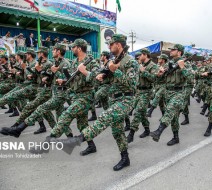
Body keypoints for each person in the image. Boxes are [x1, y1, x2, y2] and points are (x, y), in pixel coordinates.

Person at [32, 34, 139, 171]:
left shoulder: (131, 62)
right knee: (117, 131)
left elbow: (131, 84)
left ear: (118, 44)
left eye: (111, 44)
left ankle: (77, 140)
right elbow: (106, 80)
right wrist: (102, 77)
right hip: (114, 98)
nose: (109, 47)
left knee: (104, 117)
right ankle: (125, 158)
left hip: (126, 99)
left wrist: (114, 70)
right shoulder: (113, 61)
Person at [149, 44, 192, 145]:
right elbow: (159, 79)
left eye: (174, 50)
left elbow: (190, 79)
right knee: (174, 117)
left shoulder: (185, 63)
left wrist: (182, 68)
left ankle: (158, 131)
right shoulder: (168, 63)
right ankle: (176, 137)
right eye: (171, 49)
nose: (171, 51)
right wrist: (159, 74)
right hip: (168, 93)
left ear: (179, 52)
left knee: (169, 110)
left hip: (179, 92)